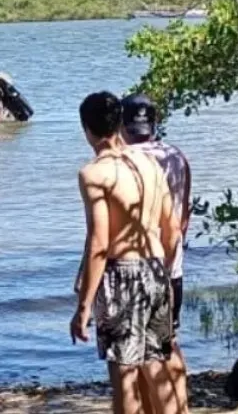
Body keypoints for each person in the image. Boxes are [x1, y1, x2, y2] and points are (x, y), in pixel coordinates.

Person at [70, 91, 186, 414]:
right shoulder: (151, 165)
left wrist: (82, 308)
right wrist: (161, 274)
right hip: (155, 270)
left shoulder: (94, 174)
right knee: (157, 368)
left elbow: (99, 244)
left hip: (121, 276)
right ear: (120, 123)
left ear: (86, 129)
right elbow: (172, 229)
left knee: (124, 377)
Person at [121, 93, 192, 414]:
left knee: (136, 358)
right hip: (171, 266)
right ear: (155, 121)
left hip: (137, 269)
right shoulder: (176, 156)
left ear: (122, 124)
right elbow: (182, 217)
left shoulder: (122, 161)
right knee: (168, 343)